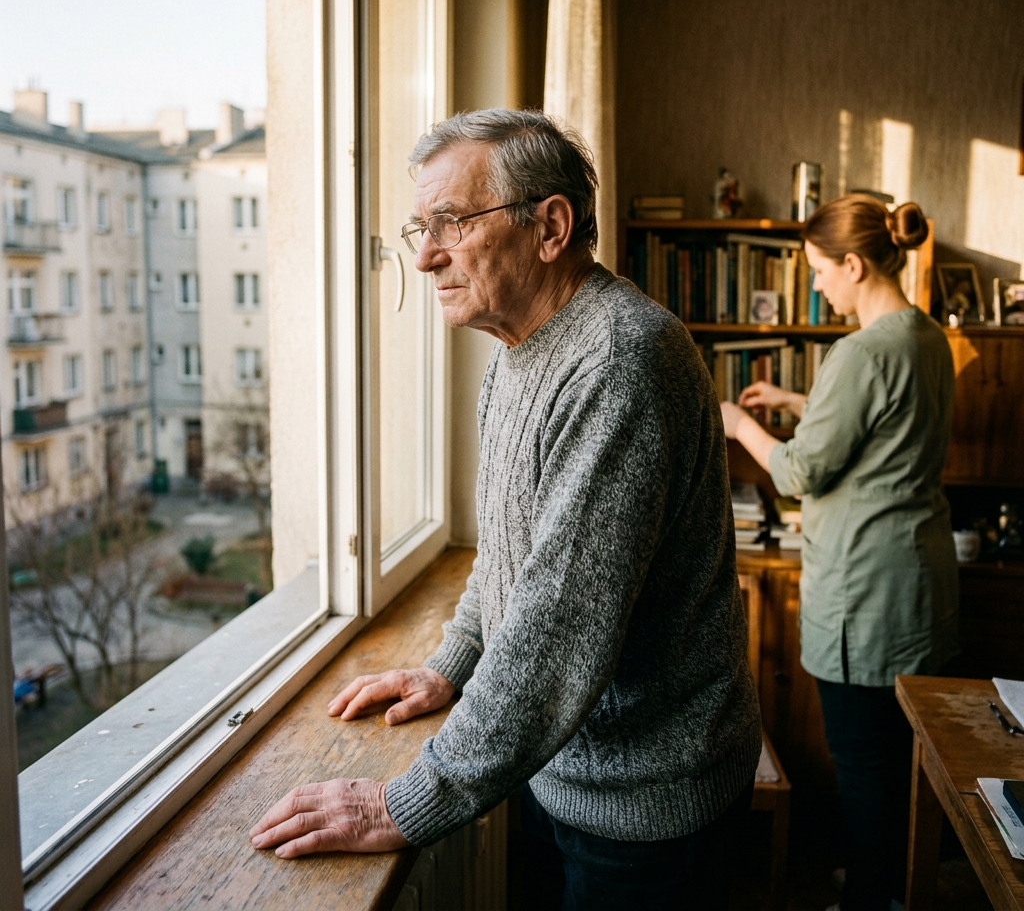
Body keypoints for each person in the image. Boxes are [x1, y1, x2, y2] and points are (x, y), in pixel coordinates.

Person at [251, 109, 761, 908]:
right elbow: (511, 551)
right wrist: (450, 663)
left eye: (451, 222)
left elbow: (559, 621)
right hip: (560, 775)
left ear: (550, 226)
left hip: (649, 815)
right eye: (422, 227)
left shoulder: (622, 359)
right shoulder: (521, 352)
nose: (424, 256)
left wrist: (407, 799)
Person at [721, 194, 958, 911]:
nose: (818, 284)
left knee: (863, 764)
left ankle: (871, 900)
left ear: (854, 264)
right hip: (919, 580)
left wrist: (737, 423)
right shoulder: (924, 334)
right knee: (899, 763)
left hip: (867, 593)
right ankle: (882, 880)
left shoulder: (860, 352)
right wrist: (800, 400)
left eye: (821, 270)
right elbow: (886, 419)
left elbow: (797, 473)